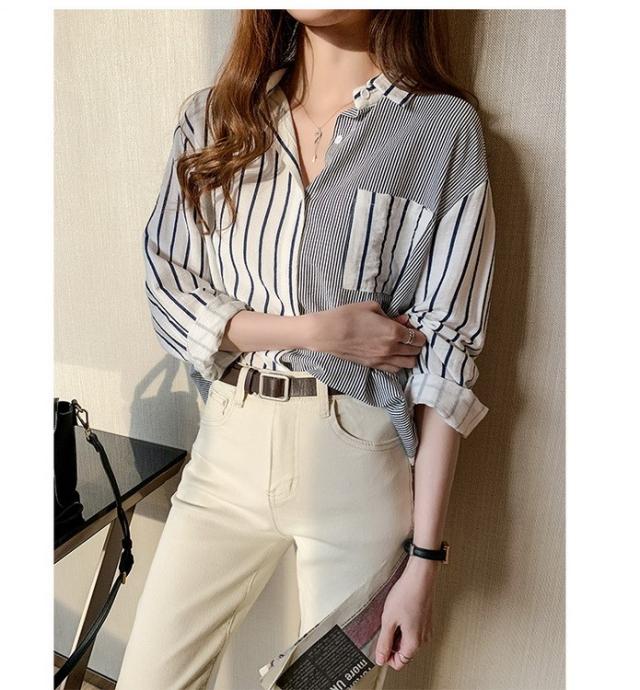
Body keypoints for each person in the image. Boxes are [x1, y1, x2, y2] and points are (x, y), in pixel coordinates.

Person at [117, 8, 496, 690]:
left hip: (357, 459)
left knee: (323, 684)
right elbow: (169, 287)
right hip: (227, 451)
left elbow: (448, 359)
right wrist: (313, 332)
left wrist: (424, 561)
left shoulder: (442, 131)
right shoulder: (215, 119)